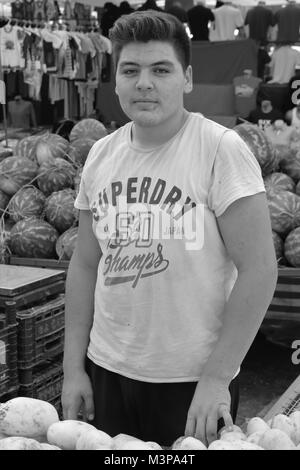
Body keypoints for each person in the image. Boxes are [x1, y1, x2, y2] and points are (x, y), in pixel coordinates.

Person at [62, 10, 277, 448]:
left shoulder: (220, 150)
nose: (144, 82)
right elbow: (85, 266)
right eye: (130, 70)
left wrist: (218, 377)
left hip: (191, 379)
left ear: (187, 78)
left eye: (161, 69)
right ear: (116, 81)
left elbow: (259, 270)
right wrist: (73, 369)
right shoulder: (101, 156)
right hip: (109, 369)